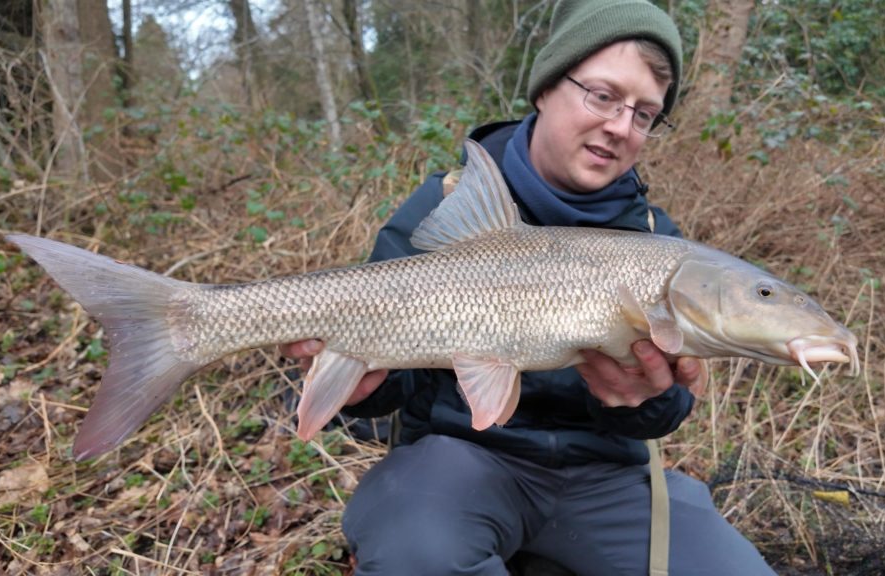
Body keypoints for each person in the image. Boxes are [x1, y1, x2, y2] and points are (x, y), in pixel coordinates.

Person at [283, 1, 776, 574]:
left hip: (605, 478)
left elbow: (666, 412)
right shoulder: (448, 205)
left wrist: (641, 400)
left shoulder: (654, 241)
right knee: (416, 550)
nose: (621, 125)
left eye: (644, 114)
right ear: (545, 88)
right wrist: (364, 388)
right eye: (603, 95)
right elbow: (393, 387)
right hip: (459, 463)